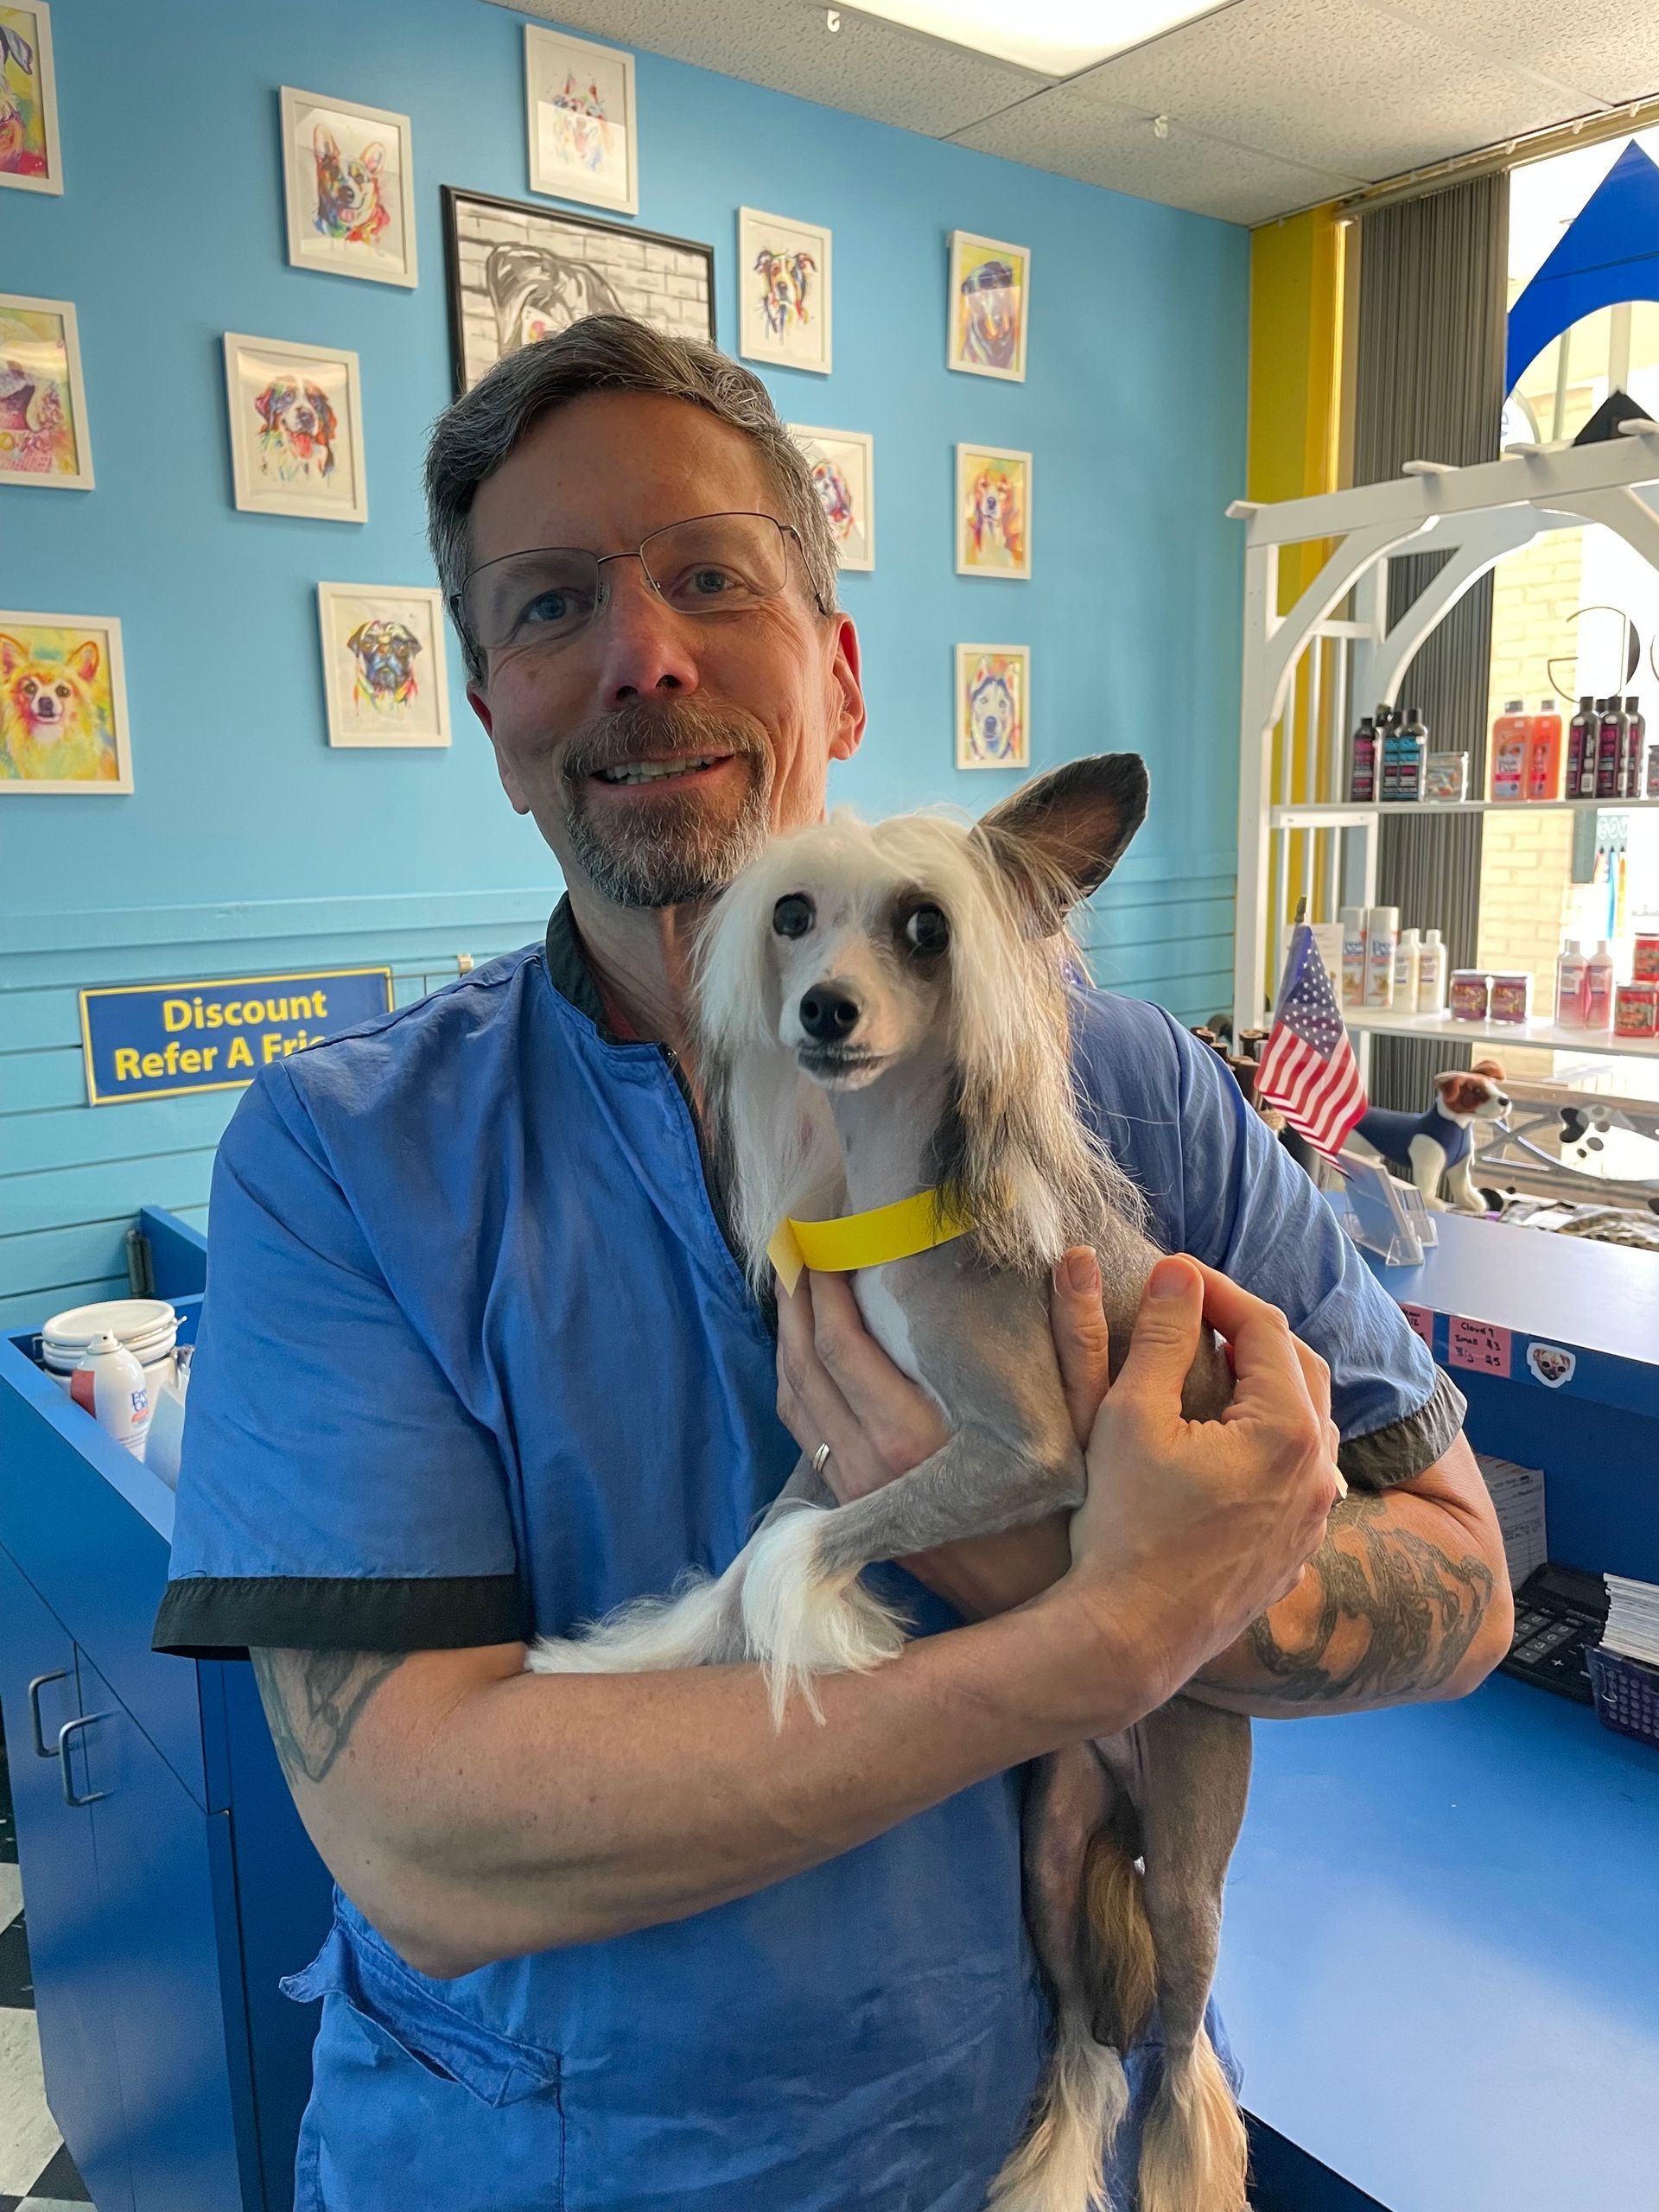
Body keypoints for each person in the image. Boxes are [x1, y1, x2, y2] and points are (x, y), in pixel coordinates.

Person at [153, 316, 1511, 2212]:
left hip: (1029, 2150)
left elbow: (1460, 1566)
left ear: (840, 665)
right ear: (492, 717)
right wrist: (1095, 1633)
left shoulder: (1135, 1098)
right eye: (550, 606)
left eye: (711, 575)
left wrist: (1095, 1573)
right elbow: (422, 1837)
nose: (643, 655)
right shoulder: (347, 1162)